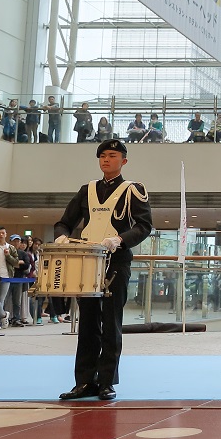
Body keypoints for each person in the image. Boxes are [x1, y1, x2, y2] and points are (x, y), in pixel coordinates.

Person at [55, 139, 154, 401]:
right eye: (102, 156)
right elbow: (64, 222)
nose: (106, 160)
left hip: (116, 261)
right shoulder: (86, 190)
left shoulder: (133, 189)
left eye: (112, 155)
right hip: (87, 262)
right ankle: (85, 381)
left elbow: (144, 226)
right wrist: (62, 237)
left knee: (111, 323)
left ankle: (107, 381)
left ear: (124, 161)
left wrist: (120, 239)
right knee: (87, 323)